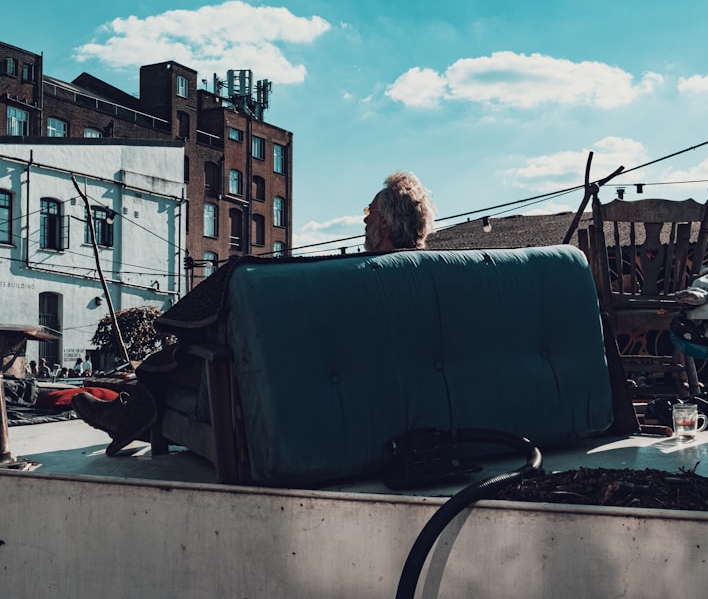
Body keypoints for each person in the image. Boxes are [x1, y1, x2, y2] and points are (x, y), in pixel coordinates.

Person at [73, 173, 436, 455]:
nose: (364, 222)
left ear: (385, 225)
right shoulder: (431, 278)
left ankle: (122, 416)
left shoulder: (362, 275)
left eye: (367, 213)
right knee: (189, 358)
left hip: (312, 394)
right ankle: (123, 409)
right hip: (393, 404)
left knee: (189, 359)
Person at [363, 171, 435, 252]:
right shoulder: (439, 262)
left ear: (385, 222)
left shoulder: (370, 264)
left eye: (370, 212)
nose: (365, 220)